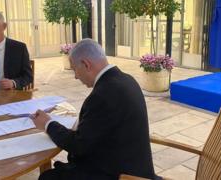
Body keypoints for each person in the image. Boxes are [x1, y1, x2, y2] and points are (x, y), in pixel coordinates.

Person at [31, 39, 158, 180]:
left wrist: (48, 124)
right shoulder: (127, 79)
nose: (75, 76)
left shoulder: (103, 94)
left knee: (47, 177)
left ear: (86, 64)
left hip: (120, 175)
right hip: (133, 166)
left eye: (75, 69)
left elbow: (78, 146)